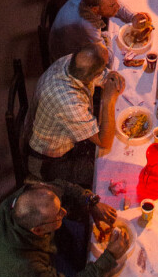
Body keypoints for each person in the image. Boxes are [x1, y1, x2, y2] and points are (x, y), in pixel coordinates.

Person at [0, 179, 131, 277]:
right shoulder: (26, 263)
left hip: (39, 251)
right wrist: (109, 256)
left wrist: (90, 201)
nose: (64, 212)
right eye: (58, 215)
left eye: (60, 207)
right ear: (38, 230)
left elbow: (63, 187)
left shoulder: (26, 197)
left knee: (84, 237)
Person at [28, 43, 125, 185]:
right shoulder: (68, 101)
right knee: (109, 174)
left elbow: (100, 76)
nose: (106, 69)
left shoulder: (72, 62)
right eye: (104, 67)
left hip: (63, 137)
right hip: (48, 161)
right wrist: (108, 100)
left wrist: (111, 76)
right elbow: (104, 141)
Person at [49, 0, 150, 60]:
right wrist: (107, 36)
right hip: (65, 55)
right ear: (95, 9)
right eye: (112, 5)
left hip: (63, 33)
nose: (118, 6)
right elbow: (106, 57)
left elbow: (113, 3)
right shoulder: (87, 24)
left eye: (116, 1)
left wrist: (132, 16)